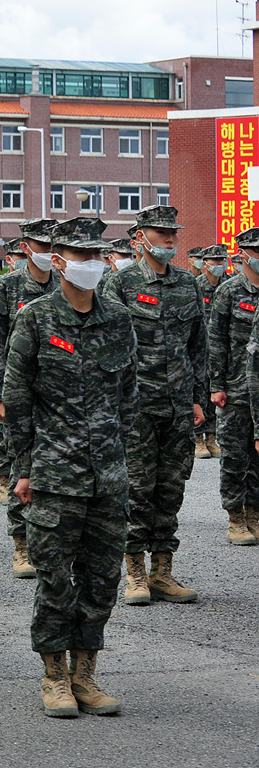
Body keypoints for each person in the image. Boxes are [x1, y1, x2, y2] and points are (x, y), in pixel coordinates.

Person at [3, 216, 136, 718]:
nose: (93, 266)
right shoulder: (35, 318)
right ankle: (54, 675)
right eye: (82, 257)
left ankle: (86, 672)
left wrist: (121, 456)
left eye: (98, 257)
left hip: (108, 473)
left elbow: (128, 394)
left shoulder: (118, 318)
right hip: (54, 472)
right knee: (56, 578)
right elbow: (17, 399)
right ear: (58, 262)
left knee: (101, 578)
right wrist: (23, 467)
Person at [102, 205, 206, 606]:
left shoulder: (186, 282)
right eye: (161, 233)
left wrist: (199, 399)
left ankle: (163, 571)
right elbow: (106, 346)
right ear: (139, 237)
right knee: (137, 488)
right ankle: (135, 573)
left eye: (173, 233)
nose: (170, 240)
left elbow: (198, 345)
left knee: (171, 488)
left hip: (178, 404)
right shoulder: (122, 283)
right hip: (136, 407)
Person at [0, 219, 59, 578]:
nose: (50, 254)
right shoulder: (6, 287)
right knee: (20, 468)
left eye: (55, 247)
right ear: (26, 247)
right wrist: (1, 392)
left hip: (60, 395)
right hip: (18, 393)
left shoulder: (66, 284)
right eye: (43, 247)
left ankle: (54, 542)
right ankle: (21, 545)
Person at [211, 231, 259, 544]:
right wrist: (216, 385)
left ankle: (255, 512)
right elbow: (216, 341)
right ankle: (235, 517)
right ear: (243, 254)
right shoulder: (230, 292)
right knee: (234, 456)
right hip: (237, 388)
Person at [195, 243, 228, 460]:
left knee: (216, 392)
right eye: (214, 261)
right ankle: (198, 438)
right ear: (204, 263)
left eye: (221, 260)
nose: (218, 264)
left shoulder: (228, 286)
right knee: (199, 390)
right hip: (200, 348)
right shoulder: (196, 285)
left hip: (220, 349)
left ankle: (212, 438)